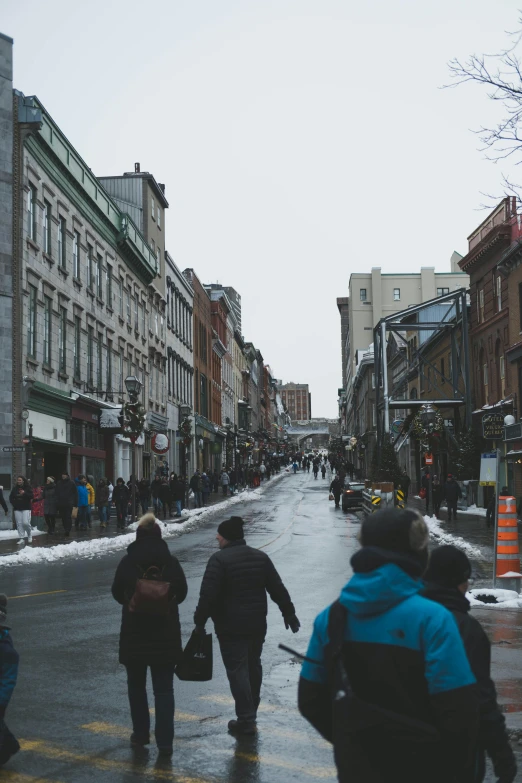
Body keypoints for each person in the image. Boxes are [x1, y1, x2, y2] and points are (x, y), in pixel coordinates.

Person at [298, 508, 478, 783]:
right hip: (426, 768)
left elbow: (310, 700)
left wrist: (353, 743)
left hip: (356, 768)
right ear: (416, 555)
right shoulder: (433, 619)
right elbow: (459, 712)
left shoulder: (332, 617)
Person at [194, 516, 300, 735]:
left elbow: (208, 596)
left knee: (237, 670)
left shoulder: (219, 560)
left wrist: (199, 622)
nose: (217, 538)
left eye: (219, 535)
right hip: (256, 625)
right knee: (253, 666)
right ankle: (251, 710)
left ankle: (246, 719)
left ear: (227, 538)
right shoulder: (260, 557)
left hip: (230, 627)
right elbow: (277, 588)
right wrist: (289, 614)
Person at [423, 546, 517, 783]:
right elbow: (481, 698)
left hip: (399, 748)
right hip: (454, 753)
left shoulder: (405, 619)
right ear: (459, 583)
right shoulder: (465, 629)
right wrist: (502, 758)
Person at [111, 513, 188, 756]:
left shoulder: (128, 561)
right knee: (164, 690)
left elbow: (116, 592)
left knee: (136, 687)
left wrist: (131, 598)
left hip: (135, 633)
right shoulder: (171, 561)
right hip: (165, 634)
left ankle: (140, 735)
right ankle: (165, 742)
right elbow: (182, 592)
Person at [0, 595, 20, 767]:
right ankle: (10, 745)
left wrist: (1, 700)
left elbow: (8, 679)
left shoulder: (6, 650)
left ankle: (4, 751)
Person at [9, 477, 33, 545]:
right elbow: (11, 497)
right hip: (17, 508)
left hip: (26, 508)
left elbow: (31, 496)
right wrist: (14, 504)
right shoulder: (15, 488)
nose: (18, 481)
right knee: (19, 524)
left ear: (23, 481)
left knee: (25, 523)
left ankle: (29, 534)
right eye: (18, 480)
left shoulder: (27, 488)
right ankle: (21, 538)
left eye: (20, 480)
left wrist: (24, 493)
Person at [54, 472, 78, 538]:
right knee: (63, 517)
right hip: (61, 503)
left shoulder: (71, 483)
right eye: (62, 475)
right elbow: (56, 493)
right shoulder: (59, 483)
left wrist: (75, 503)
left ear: (67, 476)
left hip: (69, 503)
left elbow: (75, 493)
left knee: (68, 516)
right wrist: (56, 501)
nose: (63, 476)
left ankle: (68, 529)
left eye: (64, 475)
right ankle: (65, 528)